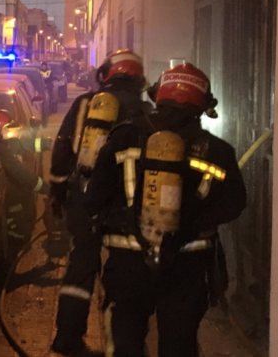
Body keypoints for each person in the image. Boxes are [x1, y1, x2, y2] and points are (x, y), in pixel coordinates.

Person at [85, 63, 246, 357]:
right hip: (187, 267)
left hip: (128, 264)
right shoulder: (219, 151)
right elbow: (235, 204)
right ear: (203, 105)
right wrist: (192, 223)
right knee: (179, 346)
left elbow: (93, 198)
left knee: (125, 344)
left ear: (158, 95)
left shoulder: (124, 136)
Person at [49, 49, 152, 357]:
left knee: (82, 264)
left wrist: (57, 191)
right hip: (125, 204)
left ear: (106, 75)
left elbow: (64, 146)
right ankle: (123, 345)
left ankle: (67, 338)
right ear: (138, 79)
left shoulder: (86, 104)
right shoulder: (146, 111)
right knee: (124, 272)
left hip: (83, 196)